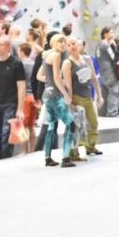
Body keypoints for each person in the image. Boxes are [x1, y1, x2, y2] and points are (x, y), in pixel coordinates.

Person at [62, 37, 103, 157]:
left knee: (93, 123)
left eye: (74, 44)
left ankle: (90, 147)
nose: (72, 47)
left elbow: (94, 79)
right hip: (76, 97)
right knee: (77, 126)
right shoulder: (67, 63)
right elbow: (68, 84)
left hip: (88, 97)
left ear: (79, 45)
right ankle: (73, 152)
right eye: (69, 45)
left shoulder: (87, 59)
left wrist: (99, 96)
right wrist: (69, 102)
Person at [40, 34, 76, 167]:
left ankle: (47, 157)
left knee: (51, 126)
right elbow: (55, 77)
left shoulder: (46, 56)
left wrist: (53, 82)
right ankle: (66, 158)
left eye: (63, 42)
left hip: (47, 94)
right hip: (55, 95)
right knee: (70, 124)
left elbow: (40, 76)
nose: (62, 44)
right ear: (53, 43)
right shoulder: (55, 56)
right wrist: (65, 94)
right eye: (59, 41)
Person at [17, 42, 40, 153]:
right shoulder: (34, 63)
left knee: (24, 126)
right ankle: (32, 149)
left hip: (25, 97)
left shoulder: (20, 64)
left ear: (22, 51)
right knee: (31, 126)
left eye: (18, 50)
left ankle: (25, 150)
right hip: (33, 97)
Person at [95, 26, 119, 117]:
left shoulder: (98, 45)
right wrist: (115, 46)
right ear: (106, 34)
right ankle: (112, 112)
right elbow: (114, 57)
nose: (113, 34)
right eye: (111, 32)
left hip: (102, 71)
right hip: (109, 71)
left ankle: (102, 112)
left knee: (104, 92)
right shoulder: (106, 45)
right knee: (113, 90)